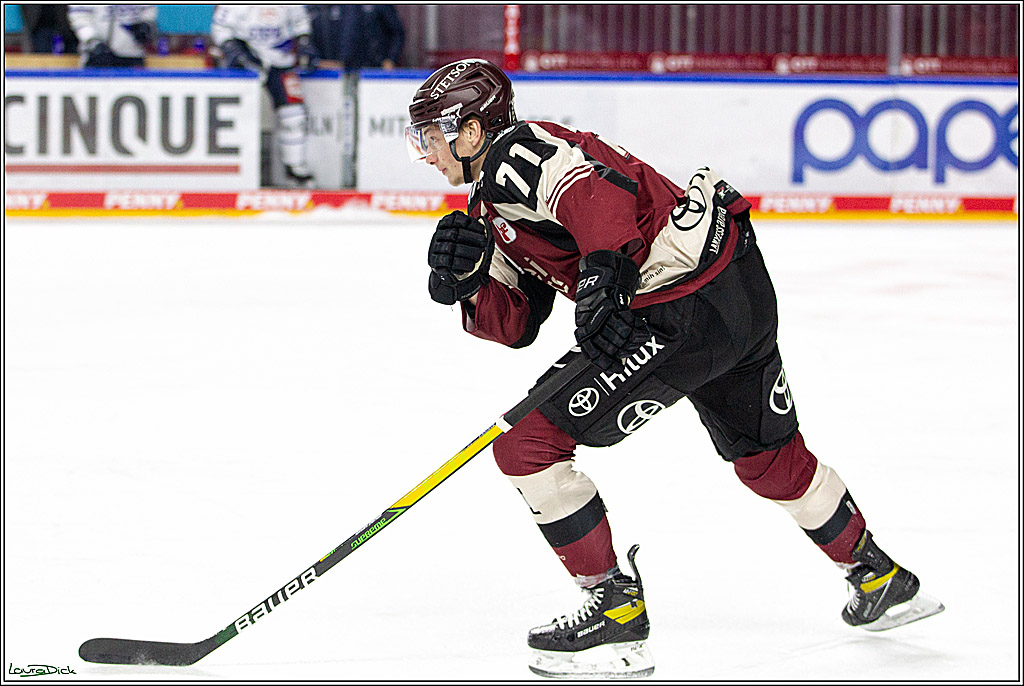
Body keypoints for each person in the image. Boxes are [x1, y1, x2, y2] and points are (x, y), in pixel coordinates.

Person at [405, 59, 945, 679]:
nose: (423, 152)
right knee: (768, 458)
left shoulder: (512, 154)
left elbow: (592, 194)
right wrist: (469, 285)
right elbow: (517, 325)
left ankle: (614, 610)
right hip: (734, 287)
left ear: (471, 132)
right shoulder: (489, 205)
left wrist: (607, 268)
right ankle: (878, 577)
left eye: (430, 136)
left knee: (527, 444)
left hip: (679, 308)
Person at [210, 5, 320, 187]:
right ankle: (236, 170)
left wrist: (304, 43)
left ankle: (295, 167)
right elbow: (220, 28)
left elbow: (301, 22)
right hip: (246, 63)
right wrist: (237, 53)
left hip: (281, 62)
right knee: (237, 116)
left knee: (294, 114)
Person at [307, 4, 404, 71]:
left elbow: (397, 32)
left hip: (375, 67)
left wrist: (391, 59)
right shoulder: (331, 8)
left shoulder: (379, 5)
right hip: (344, 68)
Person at [68, 4, 156, 67]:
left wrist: (146, 24)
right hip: (98, 56)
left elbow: (149, 10)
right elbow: (80, 18)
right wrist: (93, 42)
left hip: (133, 54)